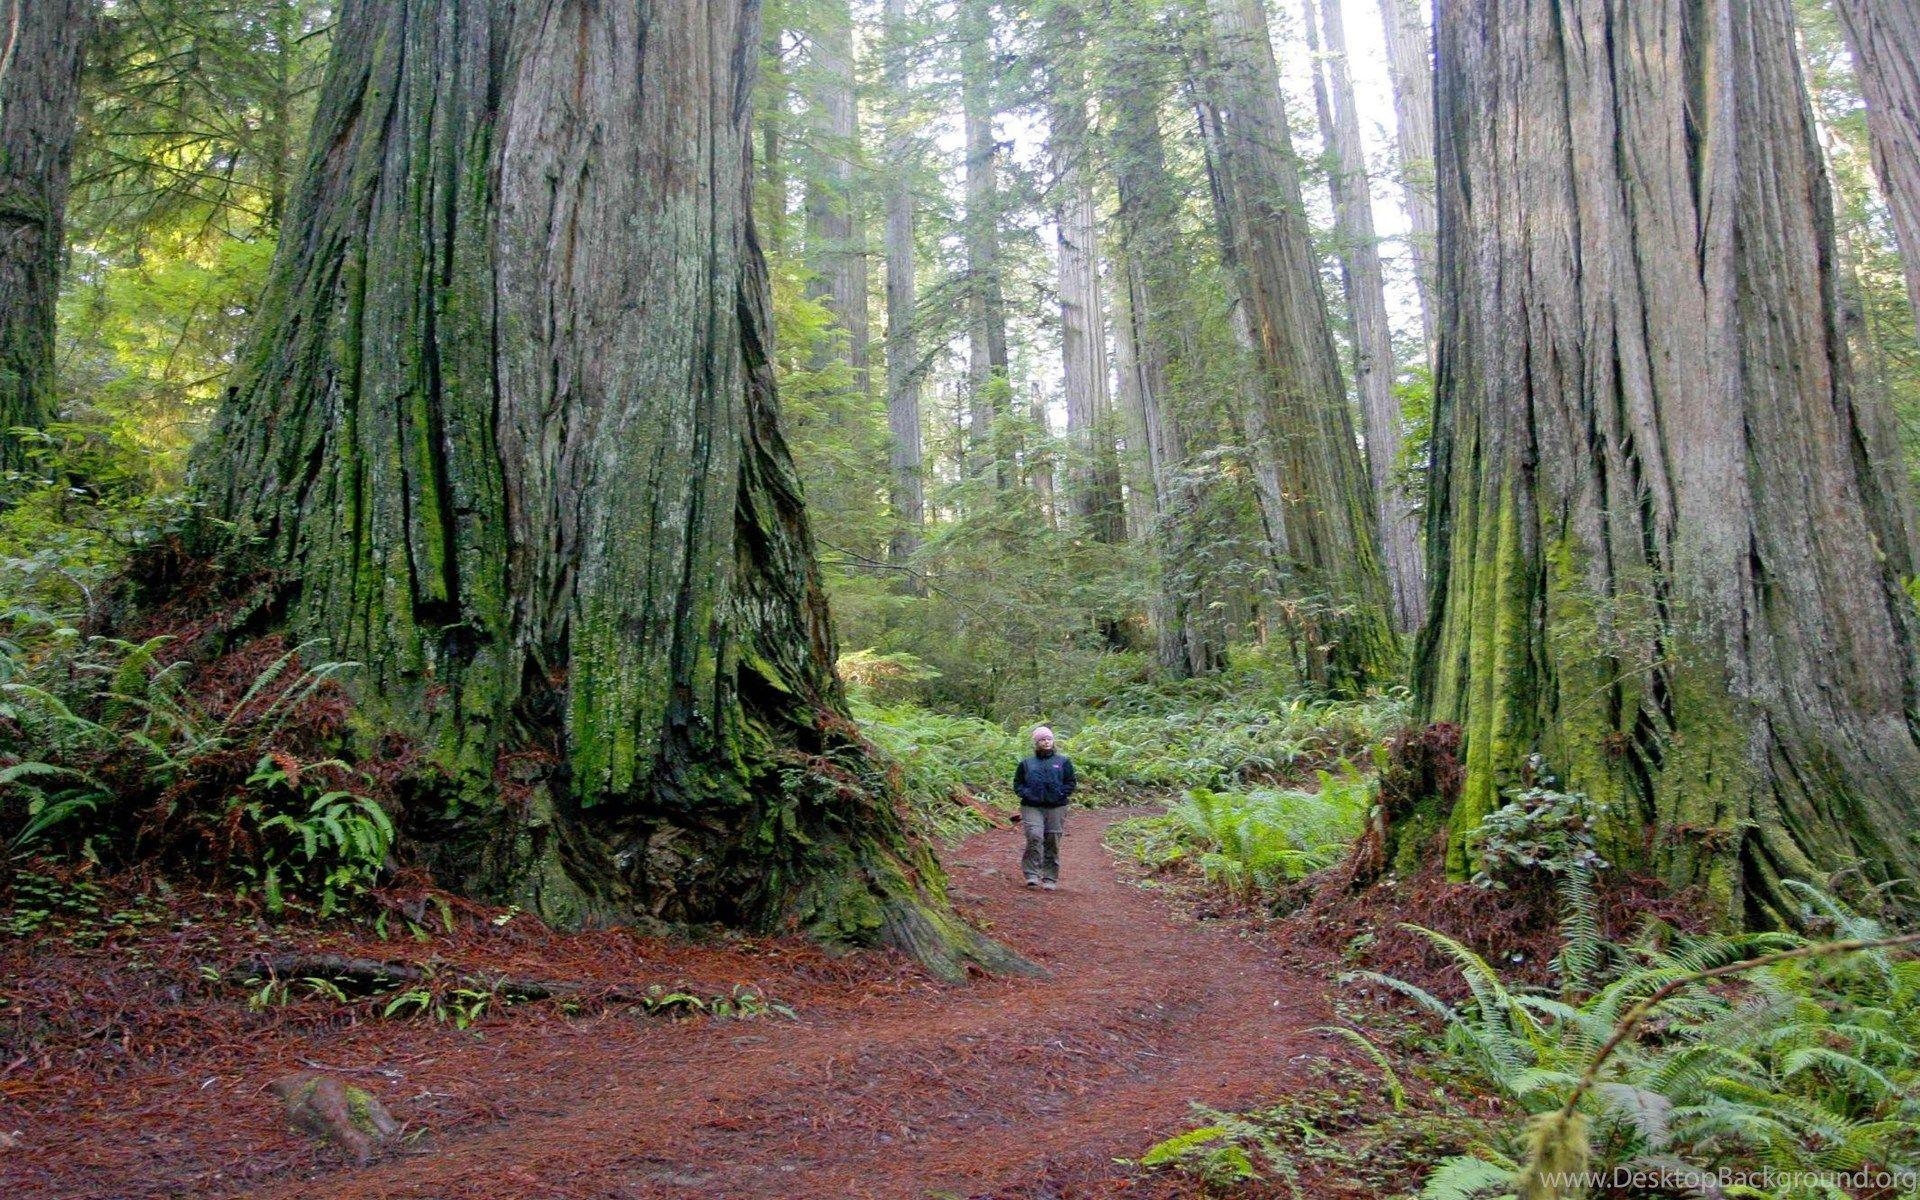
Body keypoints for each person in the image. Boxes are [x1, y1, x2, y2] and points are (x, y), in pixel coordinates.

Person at [1013, 726, 1076, 890]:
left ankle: (1050, 878)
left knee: (1052, 840)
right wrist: (1026, 794)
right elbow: (1018, 783)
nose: (1046, 742)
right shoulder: (1026, 763)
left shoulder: (1062, 762)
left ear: (1053, 741)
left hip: (1056, 807)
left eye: (1048, 739)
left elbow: (1070, 782)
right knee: (1034, 836)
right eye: (1042, 739)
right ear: (1036, 742)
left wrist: (1061, 793)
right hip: (1032, 806)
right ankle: (1032, 874)